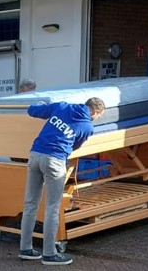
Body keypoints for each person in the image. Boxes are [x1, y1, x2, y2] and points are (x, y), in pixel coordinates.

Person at [19, 97, 105, 266]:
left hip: (35, 154)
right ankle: (49, 254)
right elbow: (75, 146)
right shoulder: (87, 127)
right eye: (99, 116)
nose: (96, 119)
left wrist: (38, 106)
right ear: (95, 111)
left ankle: (25, 249)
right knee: (52, 207)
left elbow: (32, 111)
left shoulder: (62, 106)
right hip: (55, 160)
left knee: (30, 203)